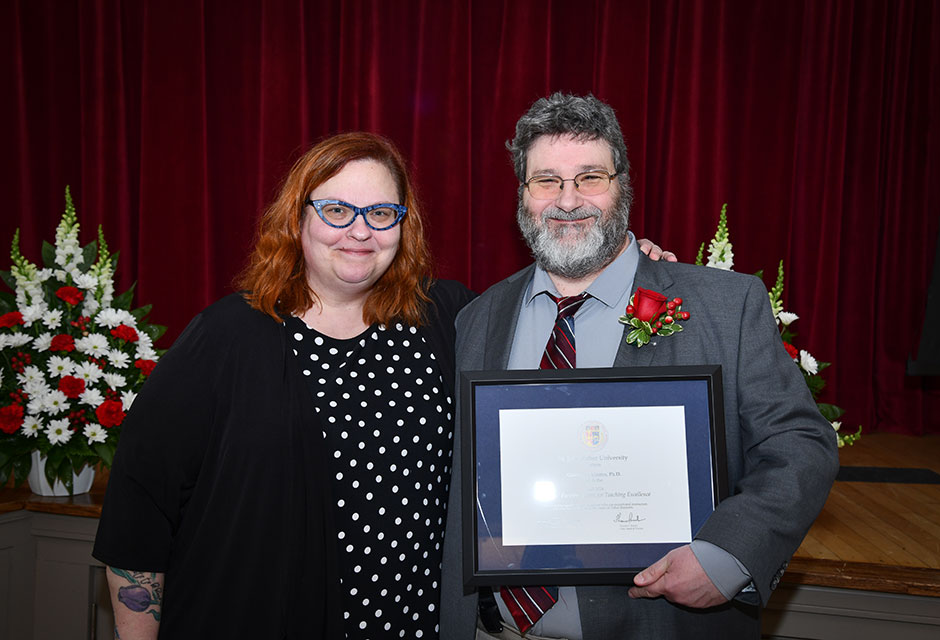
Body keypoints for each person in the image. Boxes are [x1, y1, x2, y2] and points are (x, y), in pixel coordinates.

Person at [93, 131, 673, 639]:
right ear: (297, 218)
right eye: (337, 210)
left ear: (403, 224)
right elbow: (138, 516)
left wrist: (630, 267)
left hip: (416, 624)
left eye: (380, 214)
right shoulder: (223, 339)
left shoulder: (447, 317)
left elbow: (536, 379)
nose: (359, 232)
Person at [440, 94, 839, 640]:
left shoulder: (726, 306)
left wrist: (727, 555)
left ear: (622, 185)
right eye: (546, 181)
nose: (568, 200)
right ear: (522, 195)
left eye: (590, 177)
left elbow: (800, 444)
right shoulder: (477, 318)